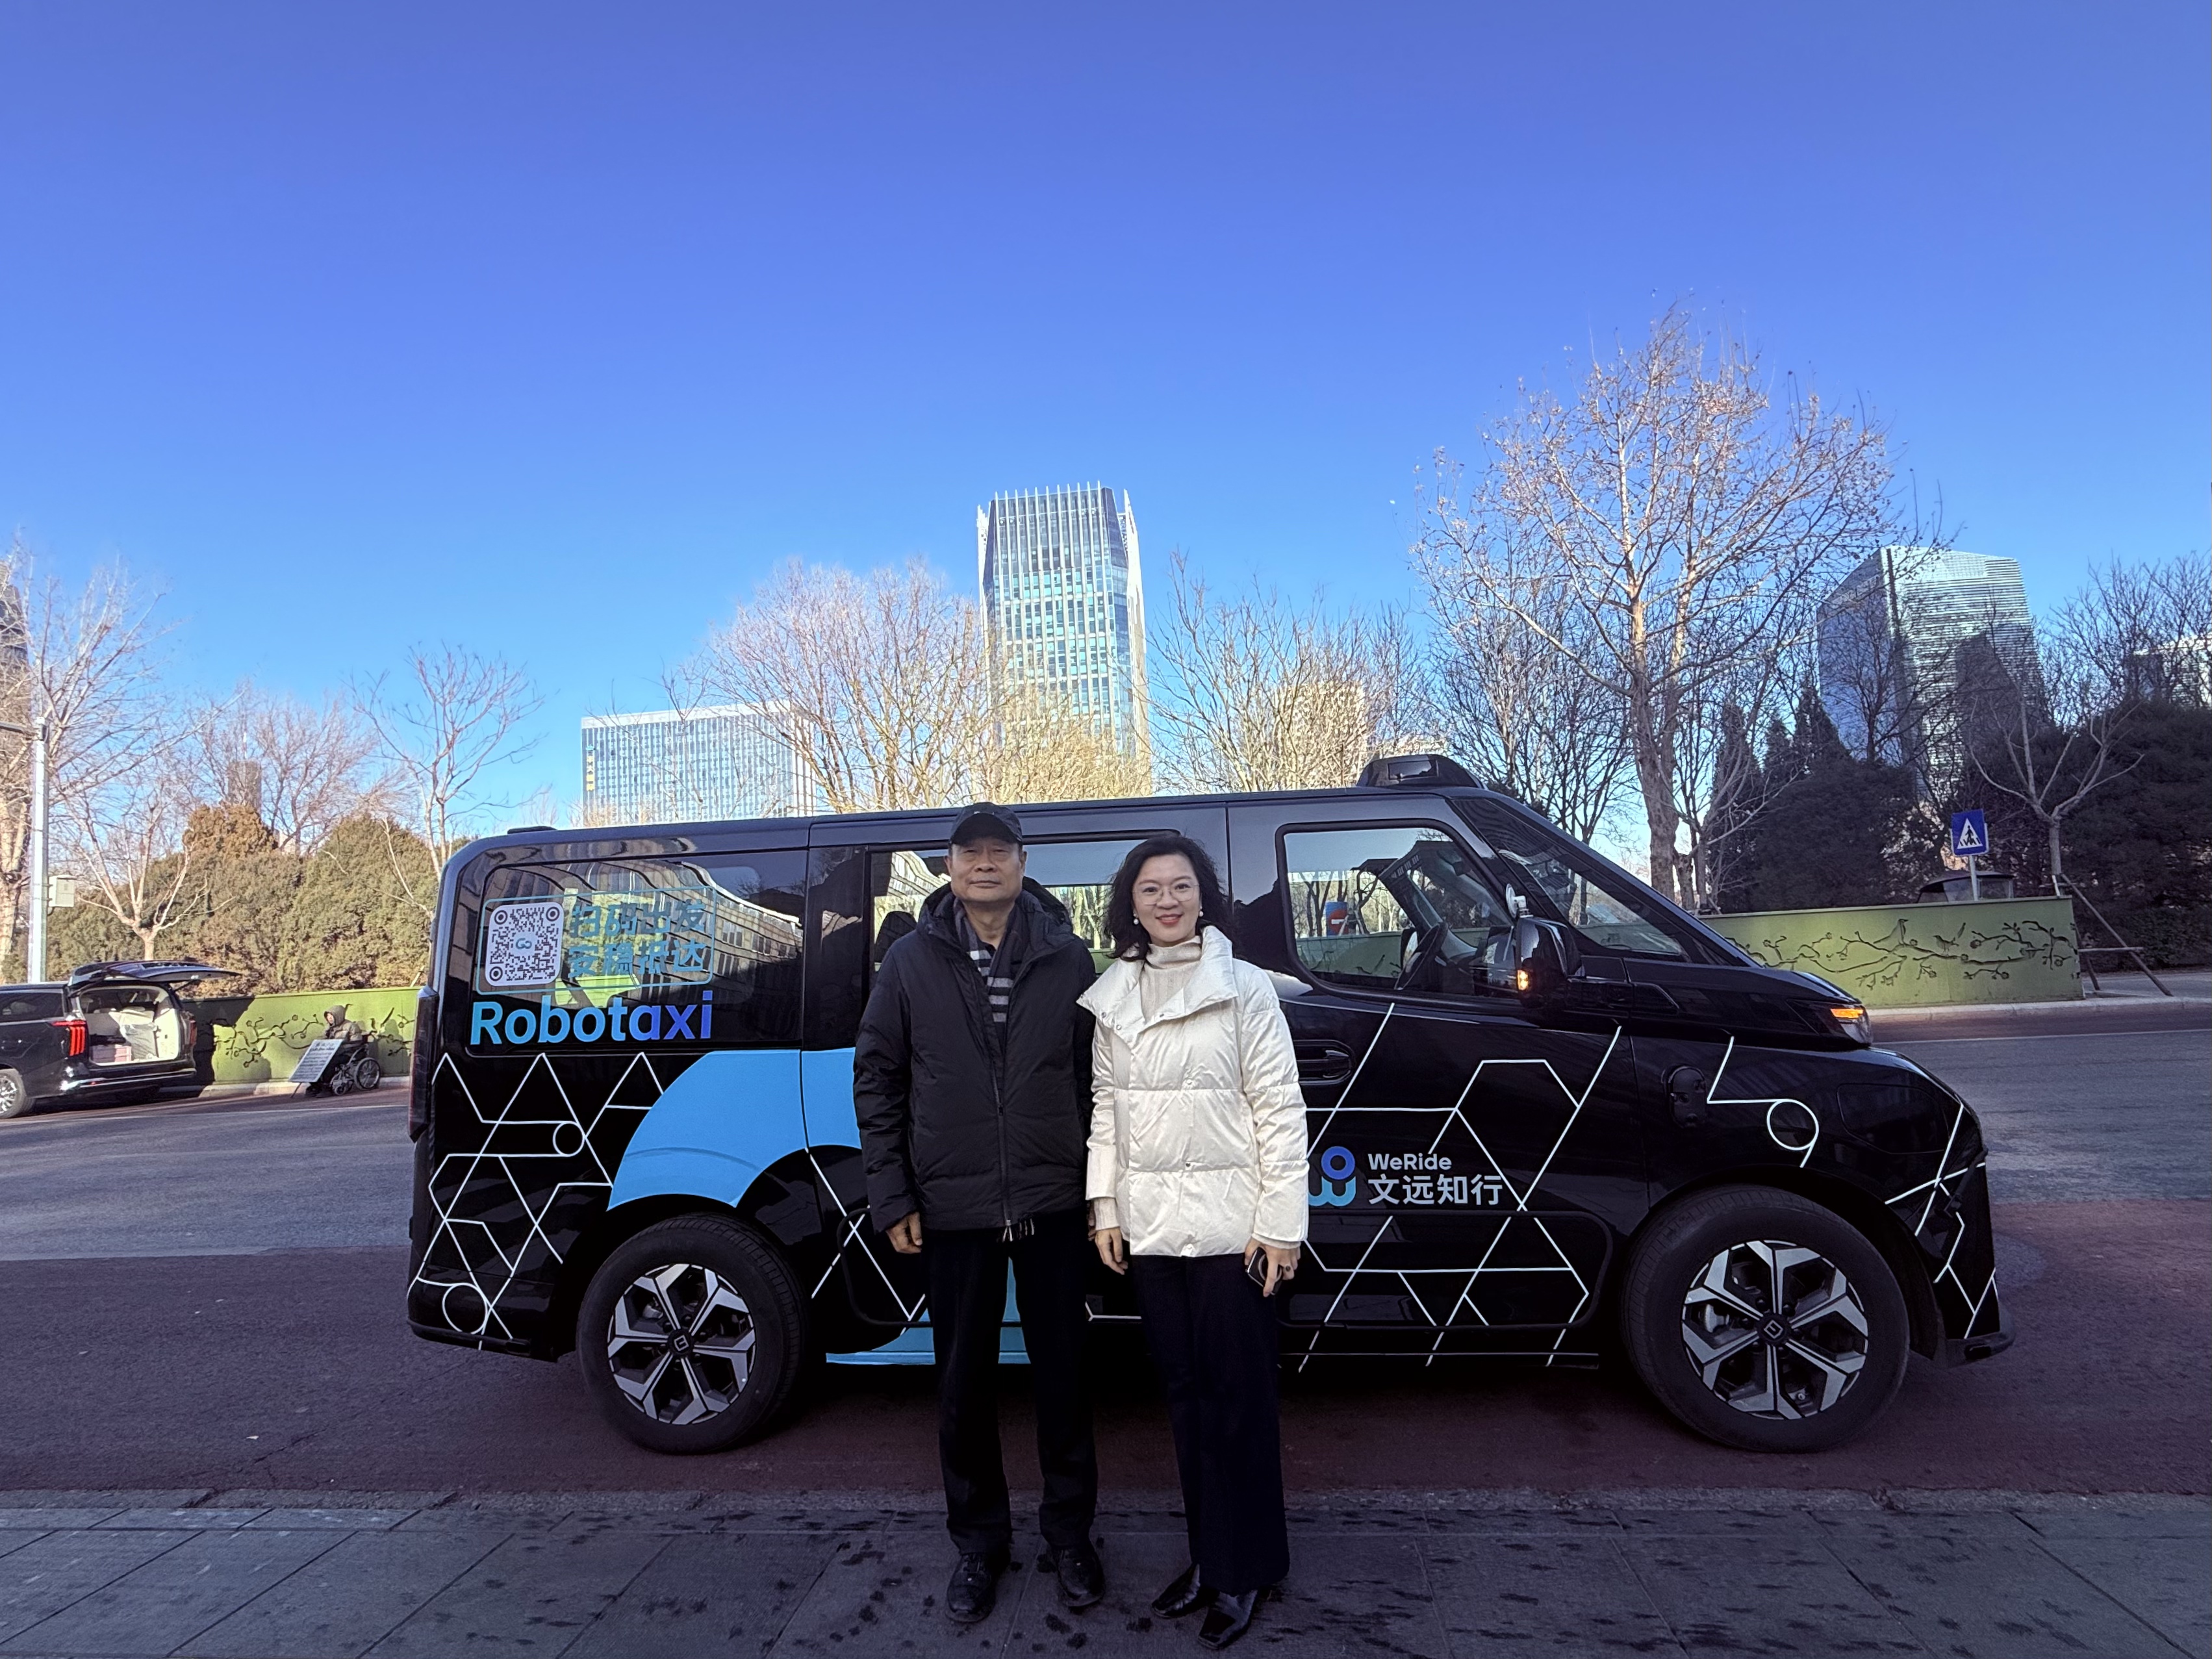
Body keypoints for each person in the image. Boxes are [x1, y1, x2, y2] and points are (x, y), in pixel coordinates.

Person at [853, 804, 1106, 1625]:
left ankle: (1070, 1535)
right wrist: (892, 1194)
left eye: (1000, 850)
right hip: (951, 1207)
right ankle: (979, 1543)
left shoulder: (1069, 957)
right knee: (962, 1384)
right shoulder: (909, 961)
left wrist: (1099, 1190)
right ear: (950, 868)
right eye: (971, 852)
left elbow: (1097, 1083)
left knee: (1065, 1378)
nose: (986, 862)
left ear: (1023, 864)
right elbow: (878, 1079)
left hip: (1053, 1200)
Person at [1080, 835, 1306, 1650]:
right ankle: (1212, 1558)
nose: (1167, 900)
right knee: (1185, 1400)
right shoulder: (1115, 995)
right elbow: (1106, 1109)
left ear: (1204, 896)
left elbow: (1279, 1107)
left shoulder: (1245, 987)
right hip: (1152, 1232)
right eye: (1151, 889)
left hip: (1232, 1231)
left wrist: (1280, 1225)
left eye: (1181, 886)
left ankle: (1248, 1568)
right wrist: (1105, 1207)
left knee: (1238, 1402)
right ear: (1131, 904)